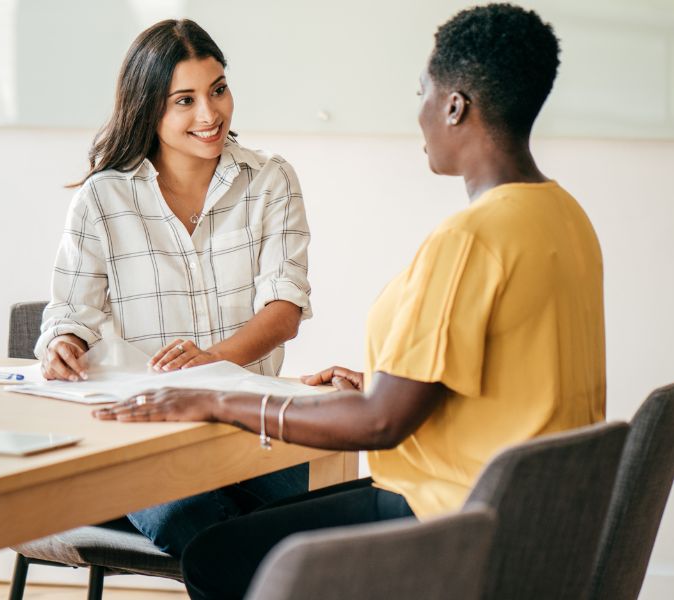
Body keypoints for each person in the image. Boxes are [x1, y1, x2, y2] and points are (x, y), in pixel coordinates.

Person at [94, 4, 607, 598]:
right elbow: (507, 384)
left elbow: (382, 424)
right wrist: (380, 384)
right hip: (536, 520)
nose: (418, 112)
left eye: (422, 92)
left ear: (454, 106)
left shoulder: (468, 241)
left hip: (452, 519)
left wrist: (216, 399)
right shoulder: (564, 217)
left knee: (216, 556)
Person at [35, 19, 312, 556]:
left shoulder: (270, 179)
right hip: (145, 443)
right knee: (205, 527)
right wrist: (63, 345)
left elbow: (284, 310)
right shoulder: (102, 199)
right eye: (184, 100)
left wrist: (209, 363)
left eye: (218, 90)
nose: (209, 114)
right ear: (148, 108)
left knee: (313, 521)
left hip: (252, 435)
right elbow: (69, 313)